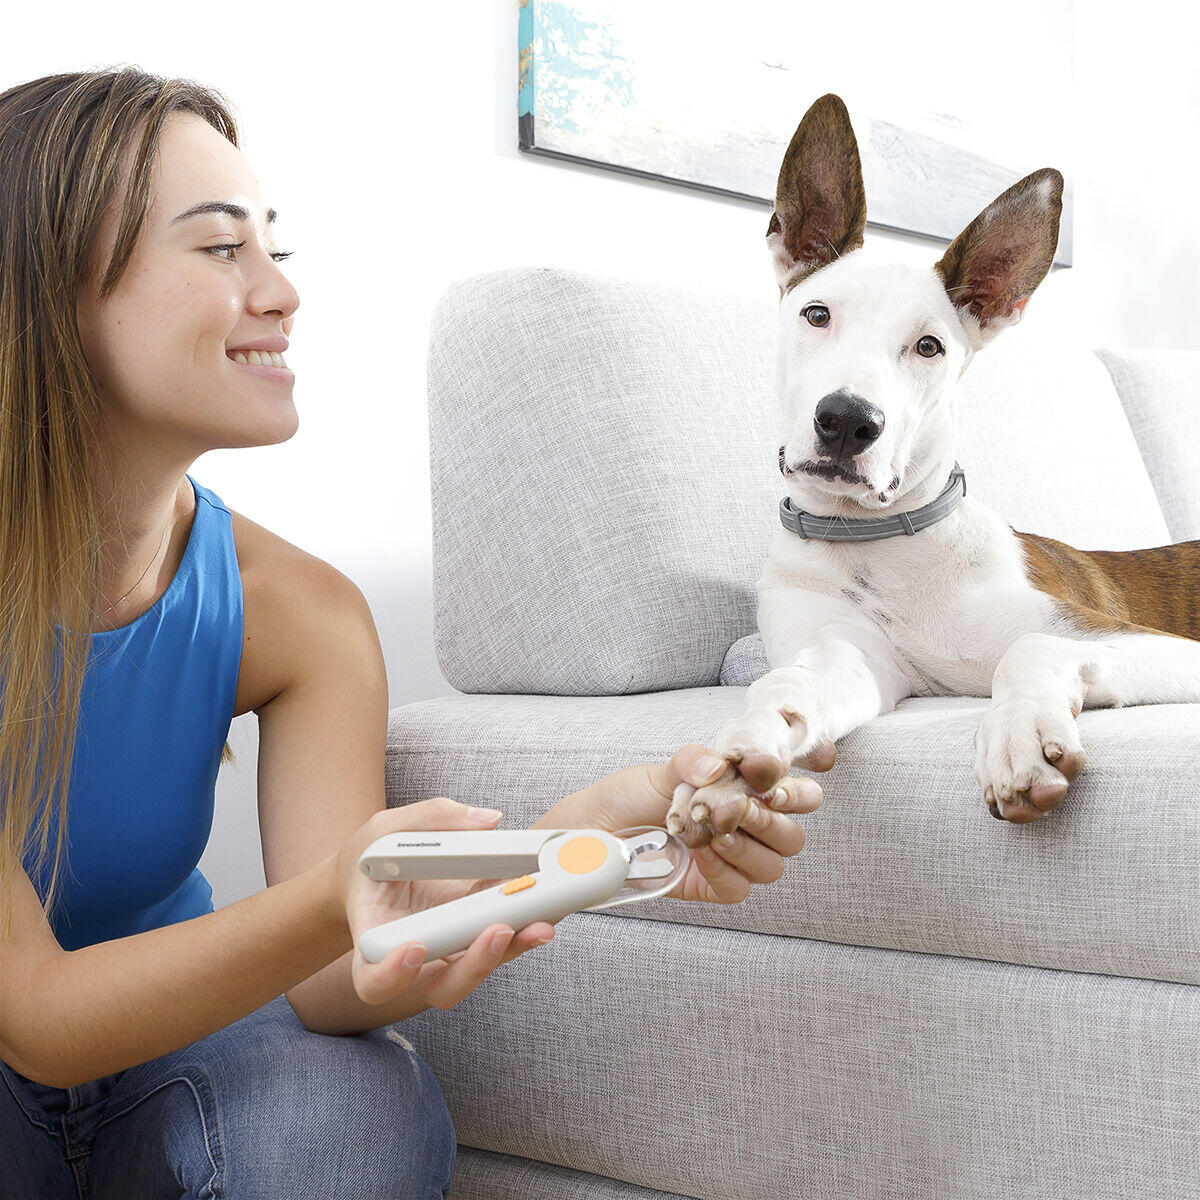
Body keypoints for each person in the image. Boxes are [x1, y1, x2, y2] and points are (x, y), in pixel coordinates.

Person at [0, 67, 824, 1198]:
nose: (280, 293)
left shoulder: (300, 612)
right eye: (219, 248)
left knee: (351, 1112)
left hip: (165, 1054)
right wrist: (341, 888)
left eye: (274, 248)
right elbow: (37, 1018)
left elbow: (342, 973)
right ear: (52, 293)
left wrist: (583, 845)